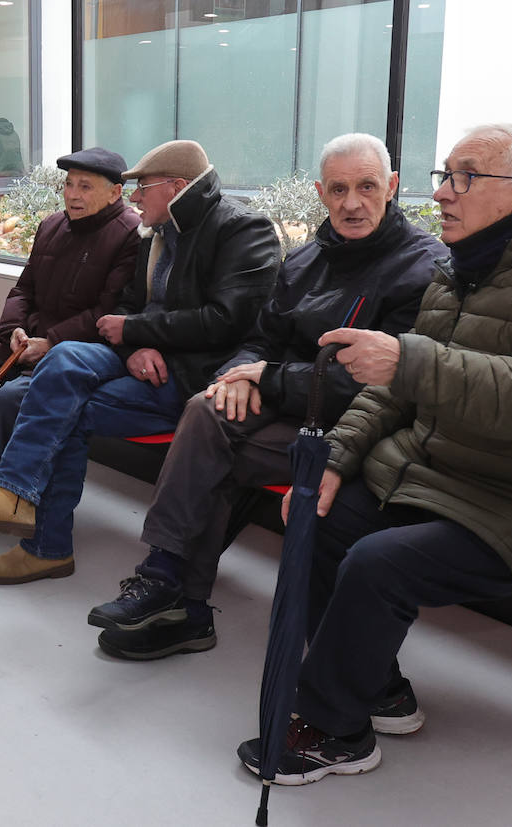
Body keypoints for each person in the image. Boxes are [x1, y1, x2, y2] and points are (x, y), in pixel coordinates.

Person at [235, 124, 512, 786]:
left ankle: (334, 728)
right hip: (462, 473)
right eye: (444, 176)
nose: (443, 195)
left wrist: (409, 360)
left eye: (465, 178)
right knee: (316, 515)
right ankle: (377, 689)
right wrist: (337, 458)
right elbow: (395, 390)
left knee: (381, 561)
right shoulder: (464, 267)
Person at [89, 133, 446, 661]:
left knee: (210, 443)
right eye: (340, 189)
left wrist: (268, 378)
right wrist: (235, 376)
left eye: (367, 186)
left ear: (392, 186)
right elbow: (258, 338)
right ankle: (164, 578)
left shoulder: (423, 268)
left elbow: (376, 386)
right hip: (287, 409)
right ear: (322, 193)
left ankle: (180, 601)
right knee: (206, 411)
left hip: (357, 433)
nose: (353, 203)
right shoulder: (303, 262)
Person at [0, 139, 280, 585]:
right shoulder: (157, 233)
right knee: (63, 360)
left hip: (193, 379)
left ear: (178, 187)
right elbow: (127, 309)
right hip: (146, 361)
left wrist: (139, 335)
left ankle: (45, 544)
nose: (135, 196)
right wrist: (135, 345)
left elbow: (228, 321)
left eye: (143, 187)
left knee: (64, 406)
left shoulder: (242, 230)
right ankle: (13, 497)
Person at [0, 146, 141, 526]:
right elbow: (23, 290)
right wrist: (14, 332)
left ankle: (21, 498)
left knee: (12, 398)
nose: (72, 194)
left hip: (80, 354)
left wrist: (51, 342)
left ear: (115, 192)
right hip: (29, 344)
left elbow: (108, 312)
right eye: (69, 185)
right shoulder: (51, 225)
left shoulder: (130, 235)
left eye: (85, 187)